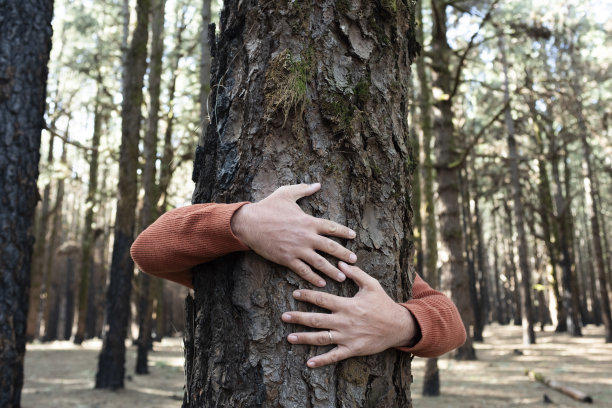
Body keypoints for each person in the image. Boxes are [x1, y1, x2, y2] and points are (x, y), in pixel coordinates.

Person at [131, 183, 466, 368]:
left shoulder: (372, 258)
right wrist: (245, 222)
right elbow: (147, 249)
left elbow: (453, 325)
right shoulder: (221, 250)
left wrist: (400, 324)